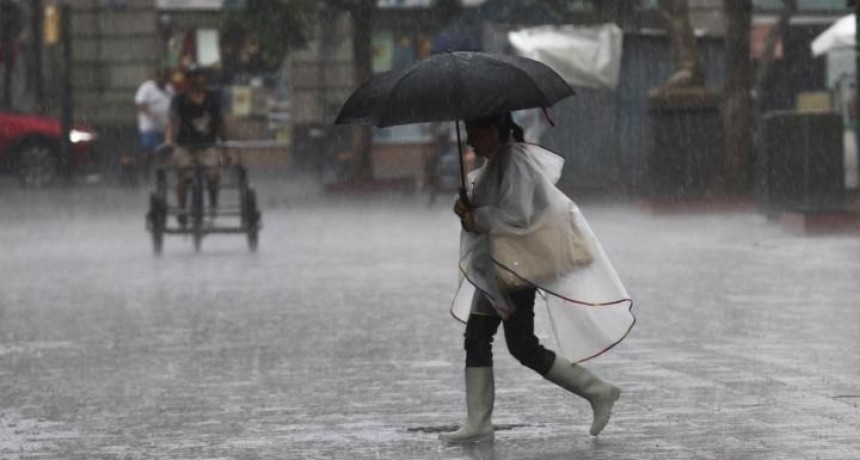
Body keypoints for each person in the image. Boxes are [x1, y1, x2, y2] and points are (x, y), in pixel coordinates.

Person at [439, 113, 635, 443]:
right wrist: (468, 208)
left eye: (474, 132)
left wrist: (476, 216)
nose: (470, 140)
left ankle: (598, 391)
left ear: (493, 130)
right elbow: (496, 209)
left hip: (515, 267)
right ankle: (479, 421)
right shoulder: (497, 161)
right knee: (485, 338)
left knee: (517, 345)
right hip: (497, 266)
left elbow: (518, 213)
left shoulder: (514, 161)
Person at [164, 66, 227, 226]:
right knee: (183, 178)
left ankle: (213, 207)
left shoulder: (213, 98)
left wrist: (226, 148)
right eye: (193, 77)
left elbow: (220, 123)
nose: (197, 80)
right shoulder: (179, 99)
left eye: (199, 76)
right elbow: (172, 121)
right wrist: (169, 141)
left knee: (213, 176)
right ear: (189, 80)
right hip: (185, 145)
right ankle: (182, 210)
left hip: (208, 145)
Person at [134, 68, 174, 179]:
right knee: (150, 146)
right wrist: (151, 114)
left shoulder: (169, 89)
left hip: (164, 124)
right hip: (149, 125)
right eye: (160, 77)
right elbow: (140, 103)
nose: (163, 80)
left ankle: (161, 170)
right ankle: (146, 167)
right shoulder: (146, 88)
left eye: (165, 78)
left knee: (164, 148)